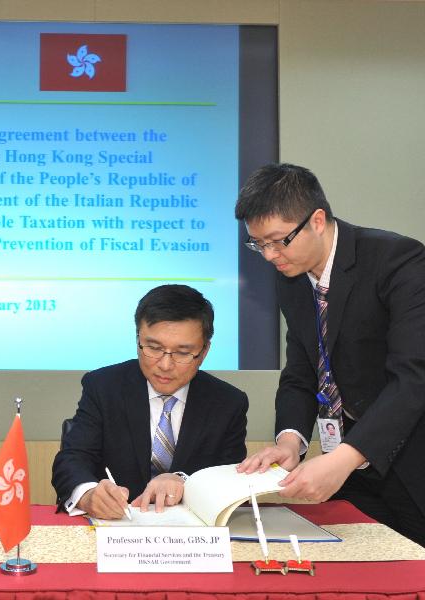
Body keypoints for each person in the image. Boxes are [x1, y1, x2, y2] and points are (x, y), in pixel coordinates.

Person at [235, 163, 425, 546]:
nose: (270, 256)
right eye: (259, 244)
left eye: (277, 241)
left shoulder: (399, 262)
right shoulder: (291, 274)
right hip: (353, 466)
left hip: (410, 459)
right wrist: (290, 440)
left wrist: (342, 459)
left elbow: (413, 377)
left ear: (317, 220)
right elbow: (302, 369)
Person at [51, 285, 248, 519]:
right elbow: (72, 459)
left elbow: (228, 479)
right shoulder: (103, 387)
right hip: (115, 526)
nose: (165, 365)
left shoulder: (227, 403)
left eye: (182, 353)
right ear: (138, 341)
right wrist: (88, 494)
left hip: (190, 538)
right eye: (153, 348)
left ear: (204, 351)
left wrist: (183, 481)